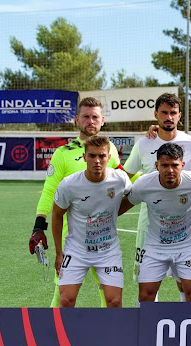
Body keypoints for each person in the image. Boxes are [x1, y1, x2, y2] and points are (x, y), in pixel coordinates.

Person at [124, 93, 191, 302]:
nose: (168, 117)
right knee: (147, 288)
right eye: (164, 112)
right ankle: (149, 328)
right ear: (155, 115)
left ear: (179, 115)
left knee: (187, 286)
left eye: (173, 113)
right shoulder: (144, 144)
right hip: (149, 227)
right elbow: (126, 178)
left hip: (184, 228)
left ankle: (185, 328)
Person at [29, 97, 121, 308]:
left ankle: (111, 335)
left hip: (104, 235)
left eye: (95, 117)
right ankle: (51, 335)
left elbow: (123, 179)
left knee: (109, 294)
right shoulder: (63, 154)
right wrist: (39, 225)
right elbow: (49, 191)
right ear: (77, 120)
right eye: (86, 116)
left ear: (102, 120)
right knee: (62, 292)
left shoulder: (111, 149)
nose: (91, 121)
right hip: (72, 236)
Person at [120, 142, 191, 303]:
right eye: (165, 165)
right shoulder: (144, 184)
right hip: (155, 246)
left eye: (174, 165)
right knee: (145, 296)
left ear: (182, 165)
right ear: (156, 165)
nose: (170, 170)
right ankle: (146, 327)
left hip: (188, 246)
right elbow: (124, 204)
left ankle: (190, 327)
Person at [51, 136, 131, 308]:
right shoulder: (69, 185)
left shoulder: (120, 179)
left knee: (114, 301)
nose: (97, 160)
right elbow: (57, 215)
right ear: (84, 156)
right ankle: (66, 334)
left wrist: (114, 212)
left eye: (102, 156)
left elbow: (133, 197)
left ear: (109, 158)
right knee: (65, 300)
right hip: (76, 250)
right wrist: (59, 252)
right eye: (92, 155)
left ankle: (111, 335)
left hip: (108, 251)